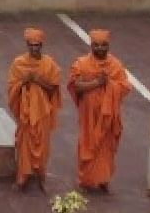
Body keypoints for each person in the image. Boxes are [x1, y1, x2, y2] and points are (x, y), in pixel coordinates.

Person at [69, 29, 131, 193]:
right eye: (96, 45)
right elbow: (76, 86)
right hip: (89, 116)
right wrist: (97, 83)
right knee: (87, 144)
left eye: (103, 45)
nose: (100, 48)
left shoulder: (116, 65)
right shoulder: (82, 64)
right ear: (91, 46)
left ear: (108, 46)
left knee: (106, 147)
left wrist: (110, 84)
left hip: (108, 117)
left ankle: (103, 180)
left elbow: (125, 87)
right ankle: (86, 180)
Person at [8, 28, 62, 193]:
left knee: (43, 146)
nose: (34, 48)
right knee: (24, 144)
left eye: (37, 45)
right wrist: (24, 82)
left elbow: (54, 89)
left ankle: (41, 176)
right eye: (31, 45)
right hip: (25, 112)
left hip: (42, 112)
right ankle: (22, 177)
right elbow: (12, 88)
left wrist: (38, 80)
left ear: (41, 45)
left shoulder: (49, 64)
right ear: (27, 45)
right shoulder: (19, 63)